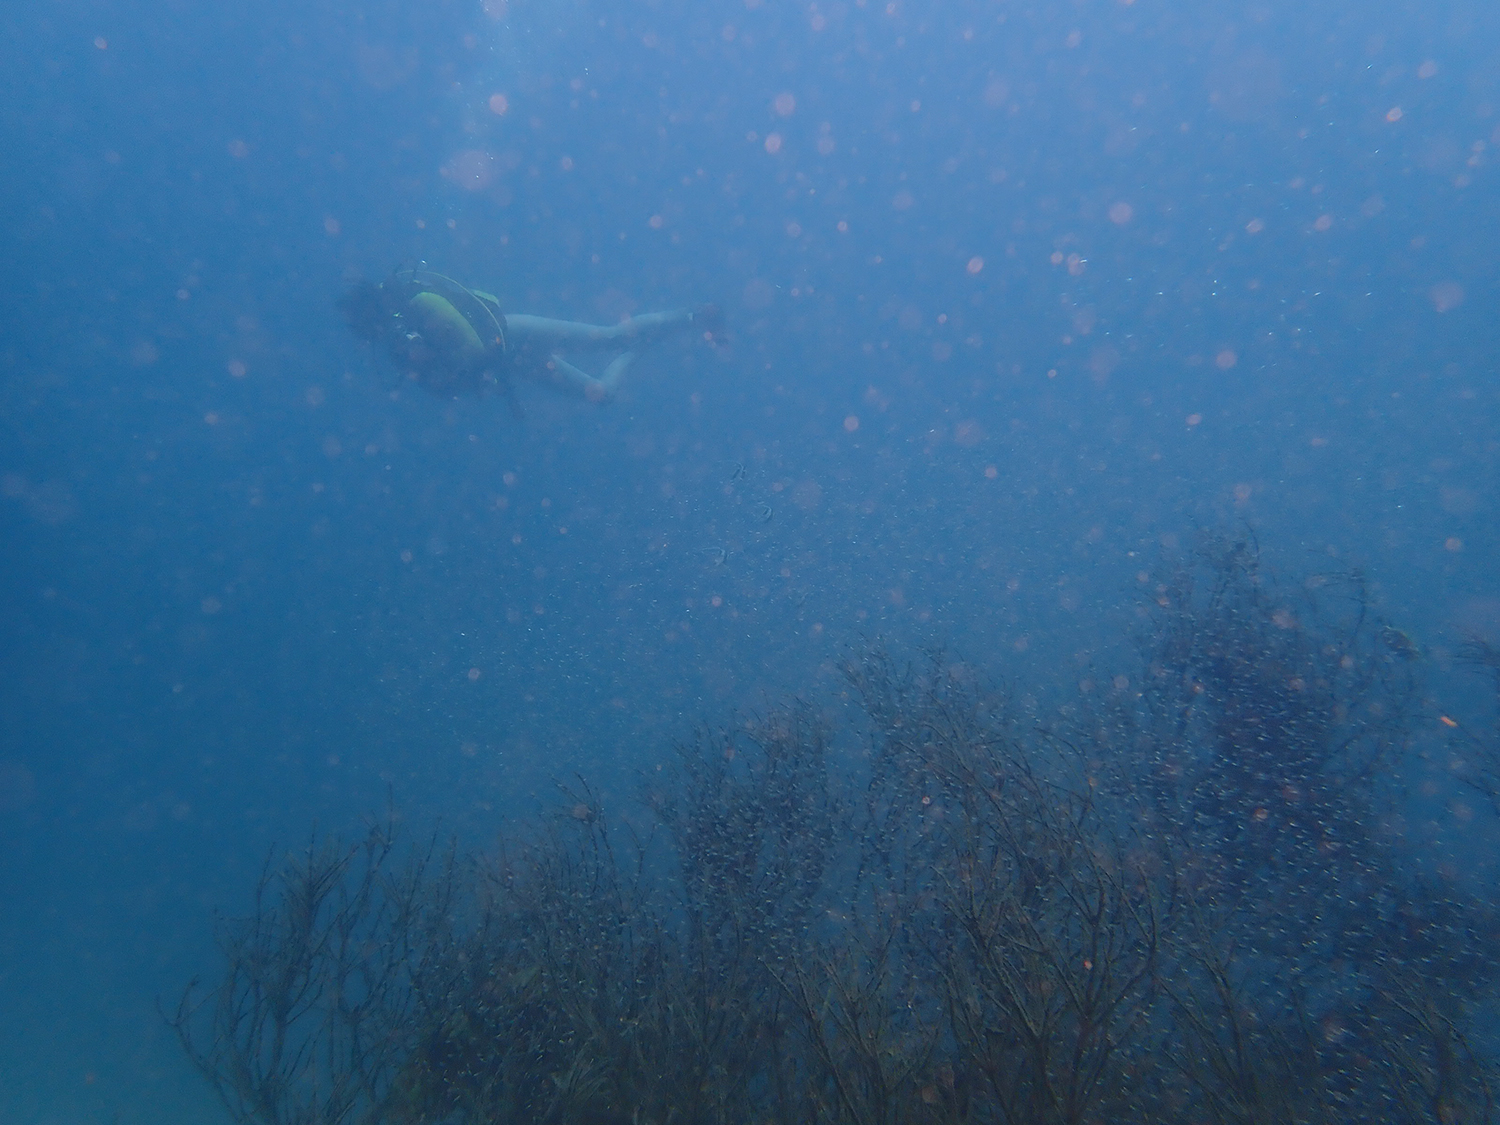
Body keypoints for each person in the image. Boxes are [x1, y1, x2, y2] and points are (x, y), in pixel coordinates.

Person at [340, 268, 722, 403]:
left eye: (361, 324)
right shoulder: (399, 338)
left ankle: (690, 317)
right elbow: (444, 384)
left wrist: (449, 367)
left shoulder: (420, 304)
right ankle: (647, 343)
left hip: (513, 334)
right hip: (511, 360)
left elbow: (472, 349)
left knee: (609, 337)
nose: (364, 334)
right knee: (602, 395)